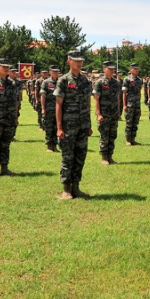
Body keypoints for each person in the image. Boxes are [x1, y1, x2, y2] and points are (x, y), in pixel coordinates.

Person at [55, 50, 93, 199]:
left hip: (83, 126)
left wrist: (88, 125)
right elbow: (58, 105)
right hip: (68, 126)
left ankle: (76, 187)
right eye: (75, 60)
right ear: (68, 61)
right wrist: (59, 128)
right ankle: (66, 189)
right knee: (67, 157)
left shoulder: (85, 81)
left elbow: (88, 104)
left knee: (80, 157)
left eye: (81, 60)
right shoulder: (63, 80)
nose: (79, 63)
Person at [93, 61, 121, 164]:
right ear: (104, 69)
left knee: (112, 135)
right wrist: (99, 114)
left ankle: (110, 156)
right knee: (104, 136)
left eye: (113, 69)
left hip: (113, 113)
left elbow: (117, 98)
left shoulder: (116, 82)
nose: (112, 71)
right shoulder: (99, 82)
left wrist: (118, 112)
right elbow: (96, 99)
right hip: (104, 114)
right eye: (110, 69)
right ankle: (104, 157)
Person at [40, 65, 61, 153]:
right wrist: (43, 108)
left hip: (58, 110)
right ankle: (49, 146)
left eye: (57, 71)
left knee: (57, 128)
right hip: (49, 108)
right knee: (49, 127)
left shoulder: (61, 82)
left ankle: (54, 145)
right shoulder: (46, 82)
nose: (56, 73)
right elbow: (43, 96)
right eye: (54, 71)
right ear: (50, 72)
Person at [122, 63, 143, 146]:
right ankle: (128, 140)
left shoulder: (139, 80)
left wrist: (139, 101)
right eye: (135, 69)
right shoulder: (127, 79)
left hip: (137, 104)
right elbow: (124, 93)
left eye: (137, 69)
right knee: (129, 122)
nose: (136, 70)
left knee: (135, 122)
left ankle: (133, 139)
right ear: (131, 69)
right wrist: (124, 105)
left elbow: (139, 93)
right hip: (129, 104)